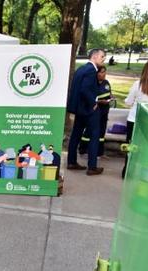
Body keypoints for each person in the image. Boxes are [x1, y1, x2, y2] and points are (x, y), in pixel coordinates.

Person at [66, 48, 106, 176]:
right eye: (102, 56)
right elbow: (84, 89)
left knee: (76, 135)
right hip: (88, 109)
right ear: (94, 57)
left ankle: (71, 162)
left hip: (79, 109)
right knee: (95, 135)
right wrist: (93, 103)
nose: (103, 59)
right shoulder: (91, 70)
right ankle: (92, 167)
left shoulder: (81, 69)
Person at [79, 65, 113, 157]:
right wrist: (99, 101)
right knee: (90, 130)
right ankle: (83, 150)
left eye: (105, 72)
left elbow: (109, 94)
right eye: (101, 72)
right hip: (95, 110)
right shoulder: (92, 84)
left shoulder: (106, 83)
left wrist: (111, 98)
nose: (104, 74)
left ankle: (100, 152)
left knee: (102, 131)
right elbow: (89, 98)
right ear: (96, 73)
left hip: (105, 111)